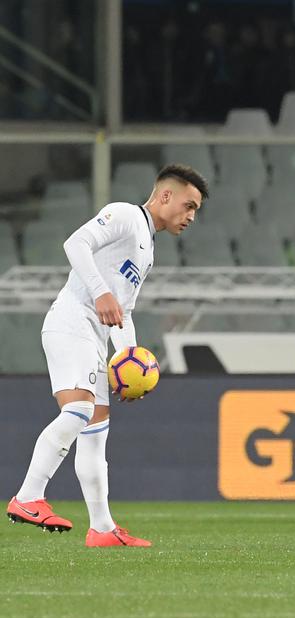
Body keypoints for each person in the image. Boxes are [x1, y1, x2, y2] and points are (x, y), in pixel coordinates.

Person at [6, 164, 208, 547]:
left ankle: (102, 527)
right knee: (80, 412)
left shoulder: (148, 249)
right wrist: (100, 292)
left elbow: (123, 311)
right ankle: (29, 496)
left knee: (96, 431)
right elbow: (75, 244)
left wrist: (129, 358)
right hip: (71, 323)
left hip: (94, 337)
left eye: (195, 210)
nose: (191, 217)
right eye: (189, 205)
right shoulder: (127, 215)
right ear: (165, 196)